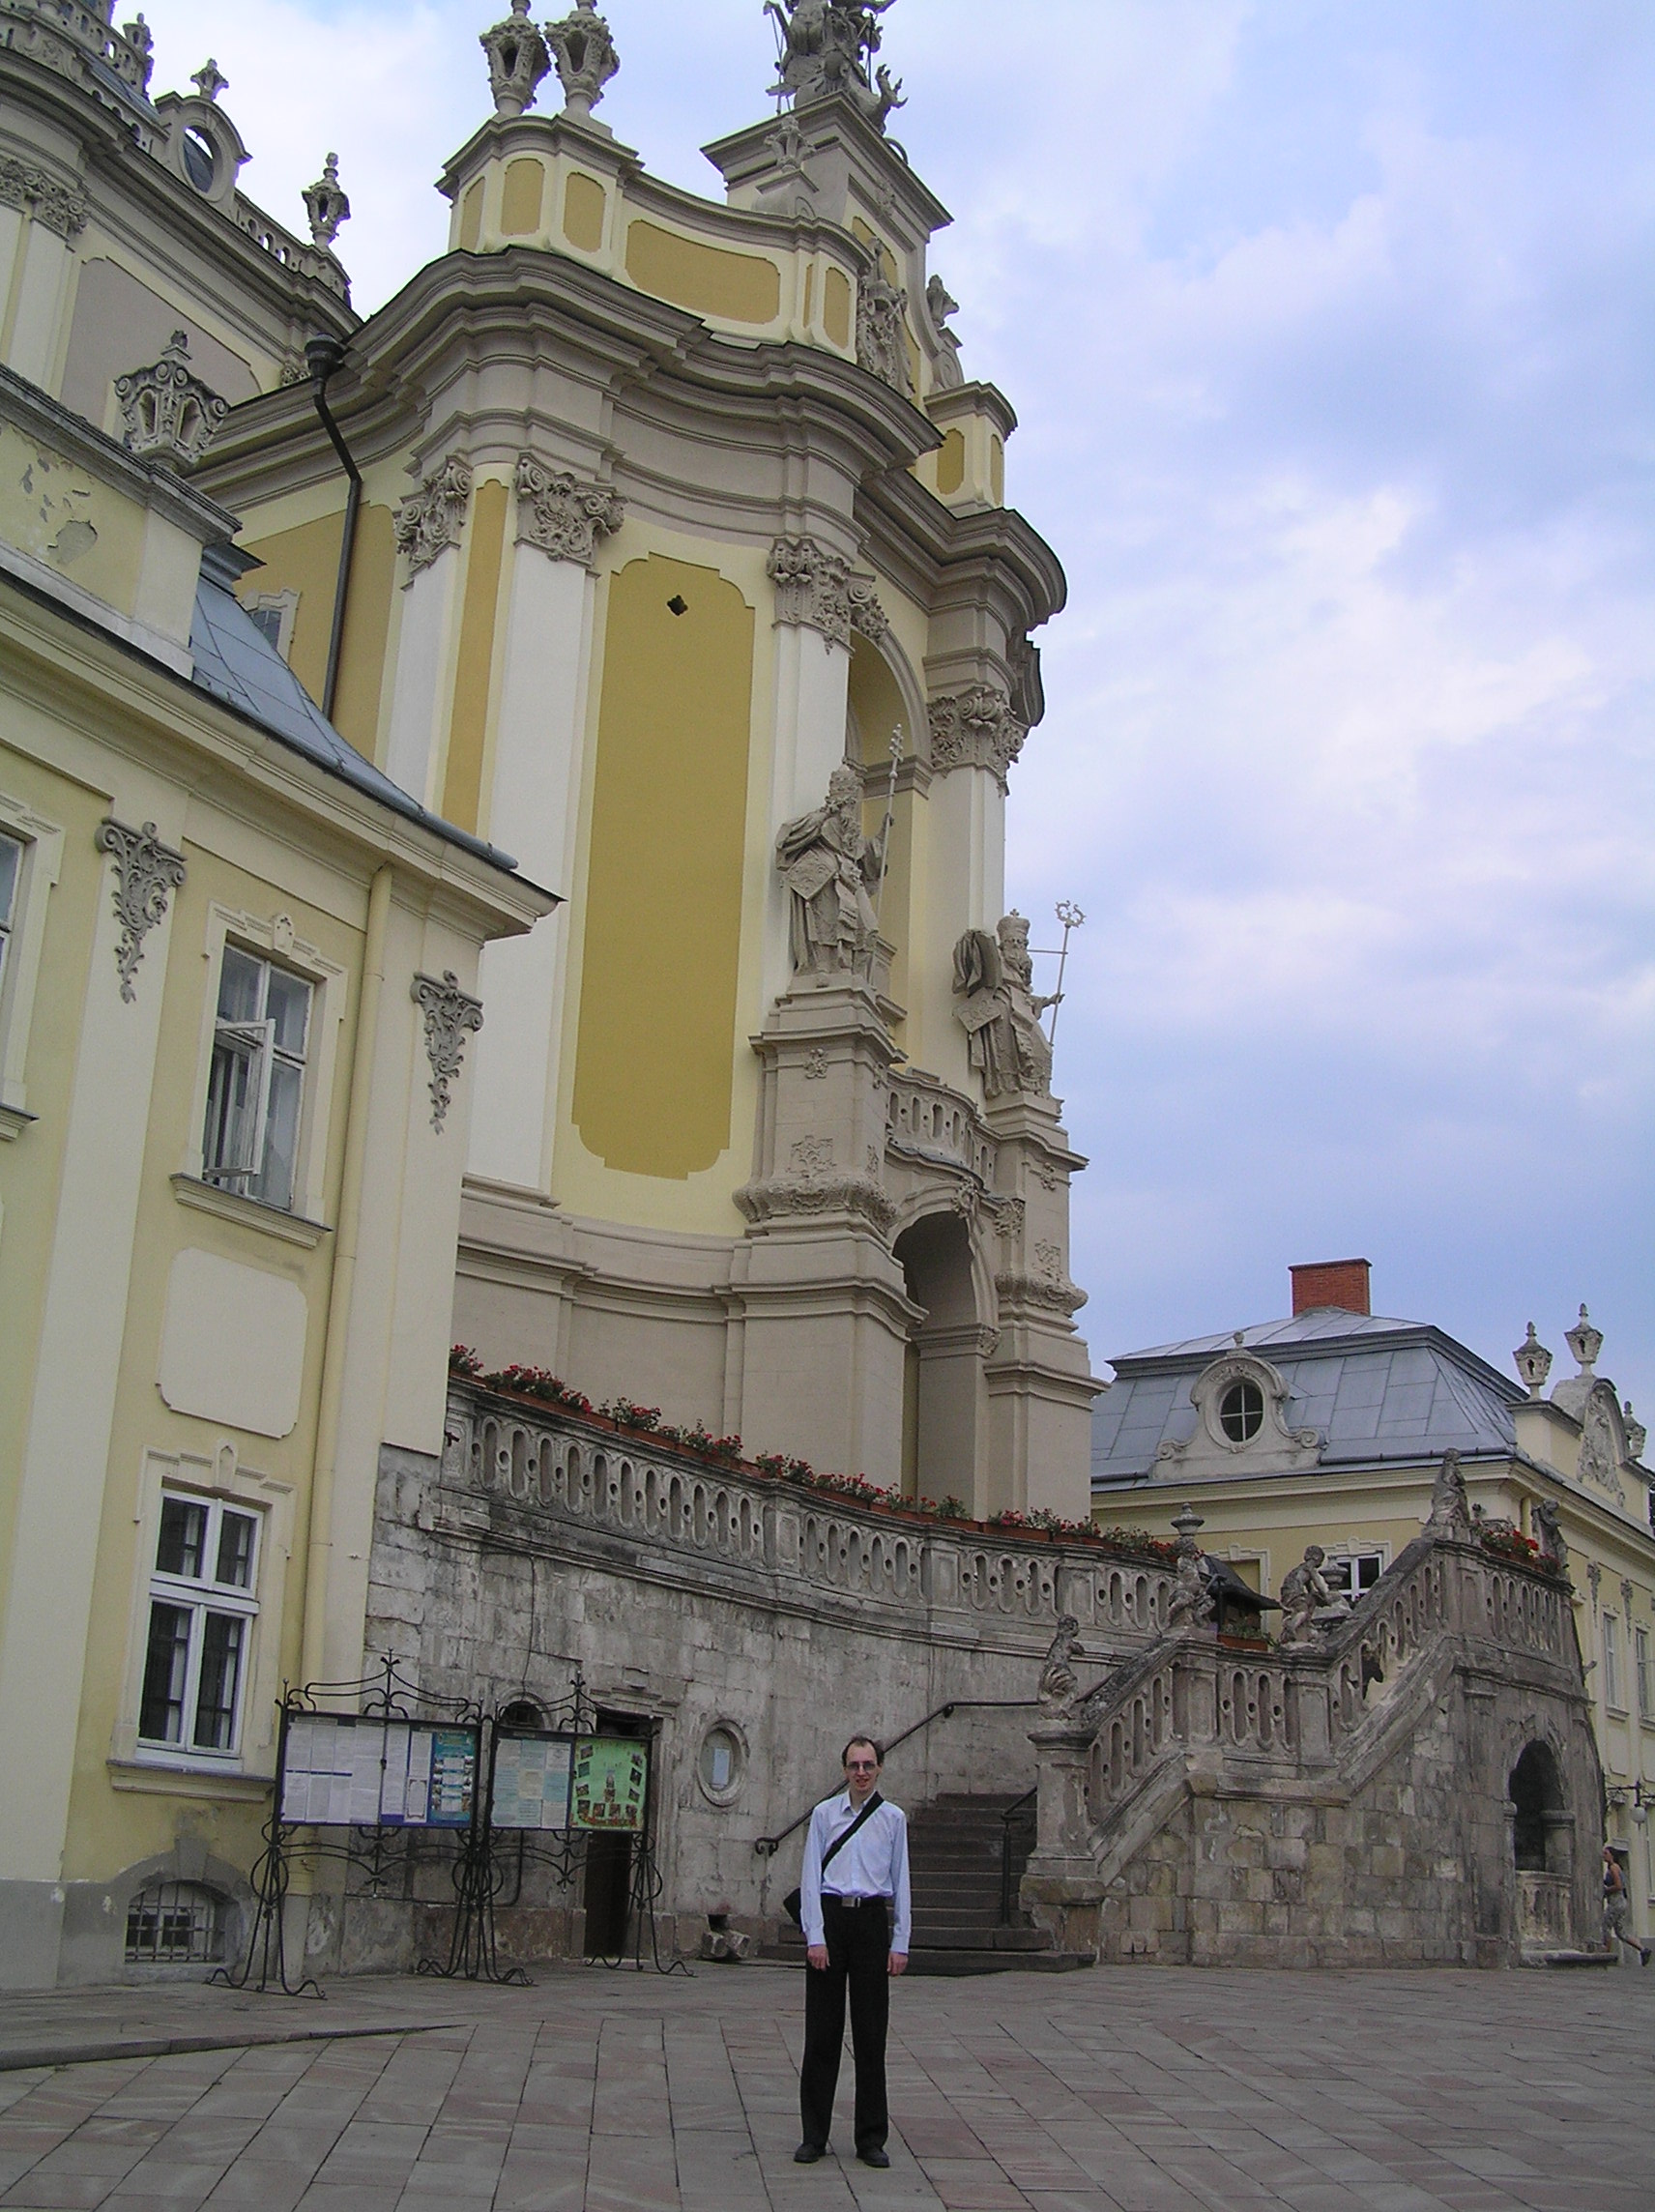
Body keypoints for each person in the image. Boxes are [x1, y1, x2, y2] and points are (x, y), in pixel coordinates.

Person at [795, 1734, 911, 2168]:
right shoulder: (824, 1815)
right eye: (854, 1765)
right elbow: (810, 1876)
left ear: (879, 1768)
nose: (861, 1773)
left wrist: (900, 1941)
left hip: (870, 1922)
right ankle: (814, 2135)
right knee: (822, 2034)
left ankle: (870, 2138)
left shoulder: (893, 1819)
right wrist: (815, 1936)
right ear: (844, 1770)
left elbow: (901, 1880)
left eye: (868, 1765)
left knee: (871, 2033)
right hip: (832, 1917)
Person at [1602, 1844, 1650, 1965]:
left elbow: (1618, 1886)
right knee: (1621, 1932)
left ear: (1612, 1855)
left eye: (1606, 1853)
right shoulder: (1615, 1867)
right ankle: (1643, 1949)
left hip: (1616, 1901)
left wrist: (1606, 1890)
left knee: (1605, 1925)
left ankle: (1606, 1953)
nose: (1603, 1855)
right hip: (1621, 1901)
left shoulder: (1613, 1868)